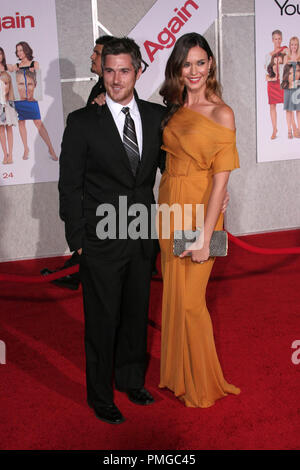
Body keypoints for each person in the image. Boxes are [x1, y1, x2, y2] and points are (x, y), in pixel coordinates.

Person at [58, 37, 166, 424]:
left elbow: (174, 170)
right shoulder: (83, 121)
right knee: (102, 321)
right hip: (100, 240)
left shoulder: (157, 117)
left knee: (137, 312)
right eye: (109, 70)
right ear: (100, 72)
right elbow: (69, 185)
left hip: (141, 235)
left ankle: (131, 380)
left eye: (124, 70)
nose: (117, 79)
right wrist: (78, 241)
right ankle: (101, 395)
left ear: (138, 71)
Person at [158, 32, 241, 408]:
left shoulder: (222, 113)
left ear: (210, 65)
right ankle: (178, 375)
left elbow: (222, 178)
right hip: (168, 208)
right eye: (186, 63)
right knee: (174, 294)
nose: (193, 70)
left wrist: (206, 237)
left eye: (200, 62)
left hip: (199, 210)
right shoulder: (173, 107)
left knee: (192, 302)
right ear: (178, 67)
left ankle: (204, 384)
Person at [41, 35, 115, 289]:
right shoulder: (99, 90)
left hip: (110, 188)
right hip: (91, 182)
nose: (91, 57)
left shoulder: (118, 96)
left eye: (96, 53)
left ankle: (76, 272)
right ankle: (75, 271)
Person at [9, 41, 57, 161]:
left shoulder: (34, 63)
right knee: (21, 122)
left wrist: (32, 71)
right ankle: (26, 148)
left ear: (26, 50)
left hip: (31, 97)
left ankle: (50, 148)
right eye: (17, 51)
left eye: (21, 50)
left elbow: (37, 79)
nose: (19, 53)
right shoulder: (17, 65)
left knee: (38, 122)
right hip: (19, 98)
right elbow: (8, 68)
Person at [264, 30, 288, 140]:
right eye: (275, 39)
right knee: (272, 106)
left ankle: (292, 128)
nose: (278, 41)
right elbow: (266, 74)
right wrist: (272, 78)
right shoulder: (268, 55)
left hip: (283, 82)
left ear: (281, 39)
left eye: (279, 38)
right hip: (272, 84)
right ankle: (274, 129)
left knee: (289, 104)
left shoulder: (285, 50)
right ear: (272, 40)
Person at [282, 37, 300, 138]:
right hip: (288, 87)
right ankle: (289, 131)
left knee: (298, 109)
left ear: (298, 46)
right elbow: (283, 74)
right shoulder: (286, 57)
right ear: (290, 45)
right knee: (289, 110)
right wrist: (287, 83)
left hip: (298, 86)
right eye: (292, 44)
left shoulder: (299, 57)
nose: (294, 47)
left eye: (296, 45)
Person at [0, 71, 18, 164]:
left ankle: (10, 154)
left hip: (8, 107)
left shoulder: (10, 100)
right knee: (1, 131)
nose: (4, 86)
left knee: (9, 129)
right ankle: (5, 154)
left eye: (6, 83)